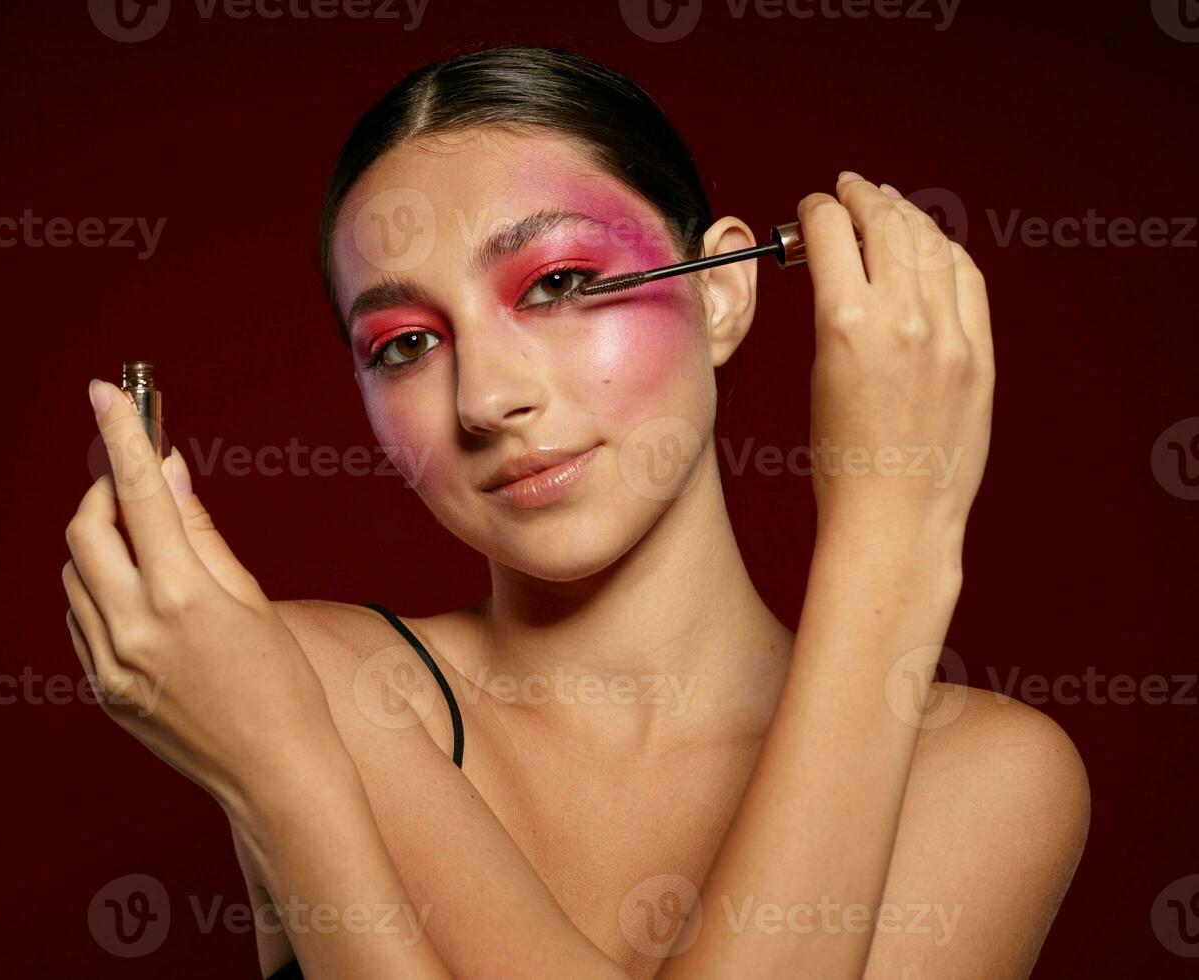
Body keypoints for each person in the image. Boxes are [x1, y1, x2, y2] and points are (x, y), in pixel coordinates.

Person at [61, 44, 1089, 979]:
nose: (484, 399)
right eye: (407, 344)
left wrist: (896, 531)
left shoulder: (988, 778)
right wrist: (284, 770)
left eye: (556, 281)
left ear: (725, 288)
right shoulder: (316, 684)